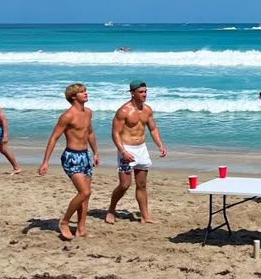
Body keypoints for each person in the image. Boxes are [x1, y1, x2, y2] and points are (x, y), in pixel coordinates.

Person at [38, 84, 99, 240]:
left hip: (85, 156)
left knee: (85, 195)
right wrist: (45, 162)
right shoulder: (67, 116)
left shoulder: (88, 113)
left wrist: (95, 152)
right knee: (85, 192)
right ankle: (64, 222)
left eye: (86, 91)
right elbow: (54, 138)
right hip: (71, 157)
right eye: (82, 92)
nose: (86, 93)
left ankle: (81, 229)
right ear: (73, 97)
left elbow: (90, 133)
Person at [106, 80, 166, 225]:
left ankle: (145, 216)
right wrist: (123, 151)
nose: (144, 94)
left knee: (142, 184)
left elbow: (153, 128)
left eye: (145, 92)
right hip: (126, 149)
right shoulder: (124, 111)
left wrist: (160, 145)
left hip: (141, 149)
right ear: (133, 93)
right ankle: (111, 210)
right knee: (125, 185)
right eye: (141, 92)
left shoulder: (147, 110)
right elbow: (115, 133)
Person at [0, 102, 21, 177]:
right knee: (3, 149)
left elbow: (4, 121)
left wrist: (5, 135)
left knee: (3, 149)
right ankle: (16, 168)